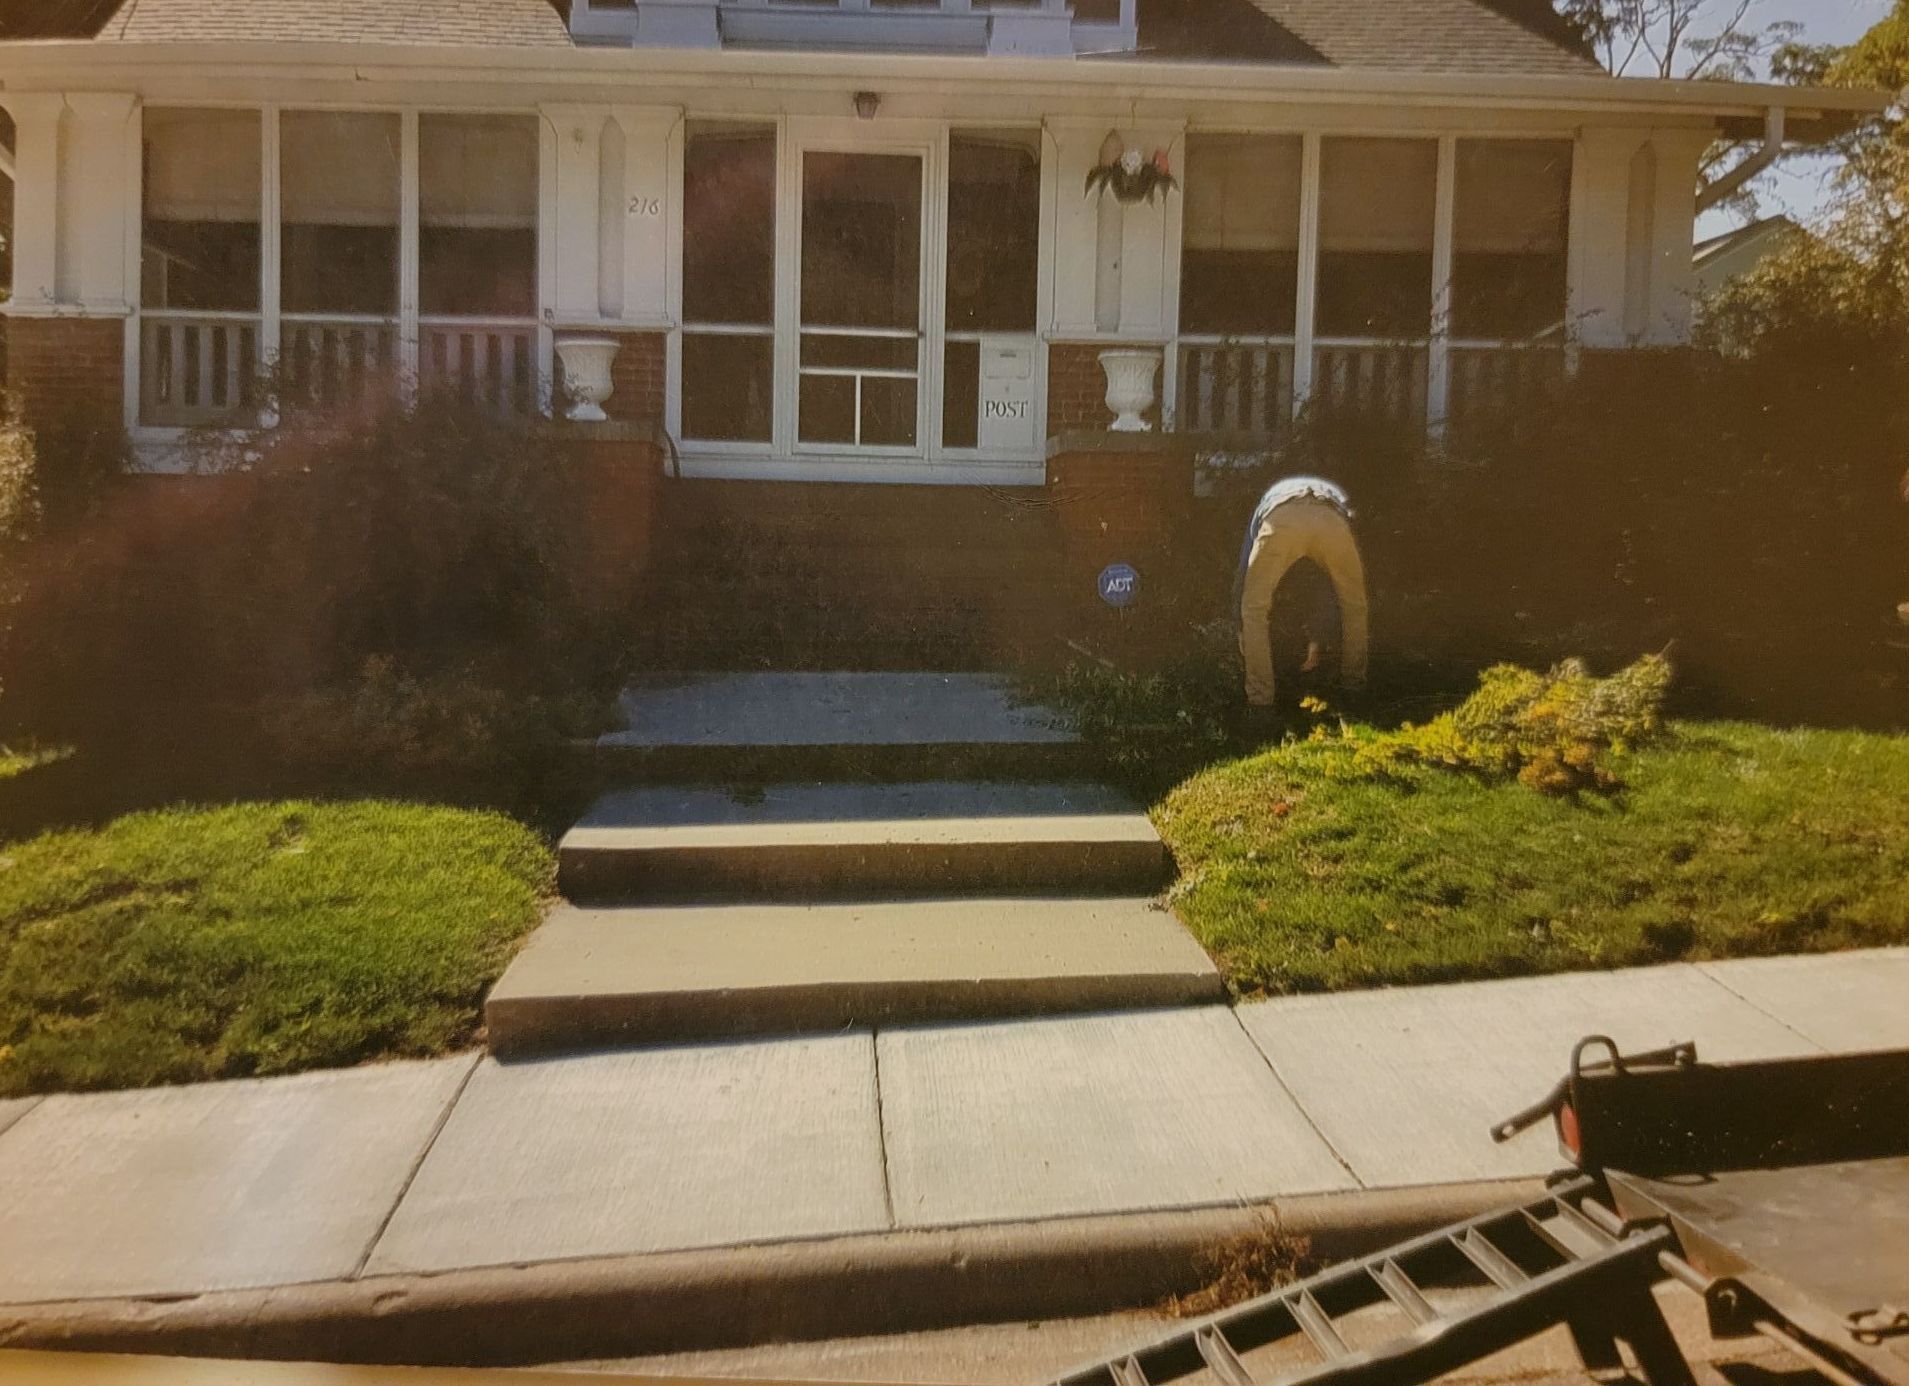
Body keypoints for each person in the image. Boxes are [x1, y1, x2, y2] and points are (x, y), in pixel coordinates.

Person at [1235, 474, 1369, 708]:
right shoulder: (1338, 497)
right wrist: (1318, 637)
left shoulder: (1266, 502)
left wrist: (1241, 625)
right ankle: (1354, 689)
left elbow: (1244, 569)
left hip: (1279, 516)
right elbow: (1329, 588)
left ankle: (1259, 703)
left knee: (1253, 610)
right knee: (1354, 605)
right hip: (1331, 518)